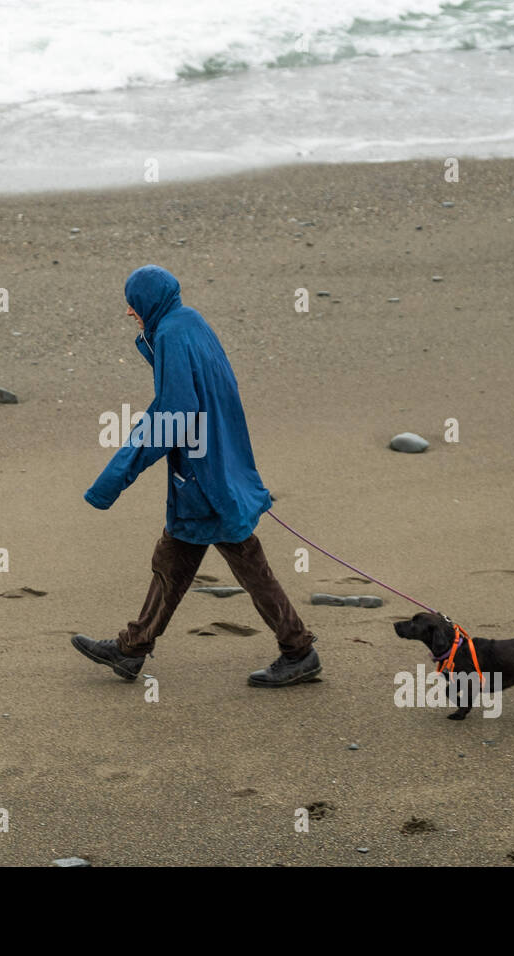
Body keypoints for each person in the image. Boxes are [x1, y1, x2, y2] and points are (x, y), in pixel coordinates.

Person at [72, 264, 322, 688]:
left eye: (133, 306)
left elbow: (172, 416)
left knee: (245, 562)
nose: (131, 313)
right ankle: (132, 649)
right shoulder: (190, 320)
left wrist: (114, 478)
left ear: (148, 302)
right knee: (173, 558)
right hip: (217, 463)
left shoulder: (170, 334)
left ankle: (298, 650)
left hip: (206, 477)